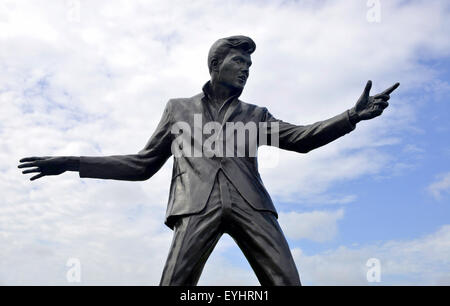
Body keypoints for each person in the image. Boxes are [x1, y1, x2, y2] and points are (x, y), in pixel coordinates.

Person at [19, 35, 399, 286]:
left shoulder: (256, 114)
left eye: (250, 66)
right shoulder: (178, 110)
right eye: (239, 62)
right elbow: (142, 165)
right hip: (194, 207)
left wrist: (351, 116)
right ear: (215, 65)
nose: (246, 69)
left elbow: (301, 139)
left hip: (253, 207)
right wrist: (72, 163)